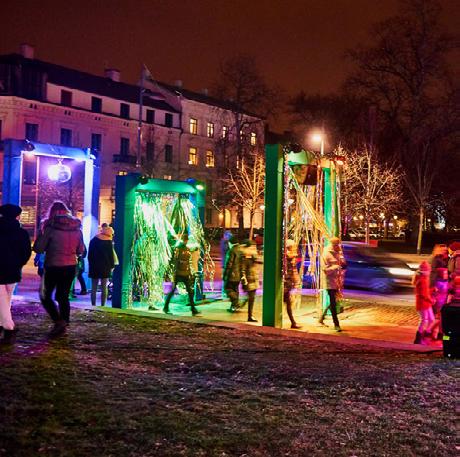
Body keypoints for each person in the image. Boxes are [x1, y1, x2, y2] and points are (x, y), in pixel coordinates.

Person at [33, 201, 85, 337]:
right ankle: (64, 322)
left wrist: (41, 234)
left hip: (53, 266)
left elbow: (38, 248)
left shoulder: (50, 228)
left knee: (45, 296)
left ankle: (58, 321)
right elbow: (81, 250)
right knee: (63, 296)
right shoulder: (77, 229)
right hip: (70, 266)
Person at [0, 204, 32, 345]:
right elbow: (26, 252)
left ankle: (7, 326)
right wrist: (19, 263)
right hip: (13, 269)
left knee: (2, 298)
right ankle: (6, 325)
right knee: (7, 297)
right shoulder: (22, 233)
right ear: (16, 216)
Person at [163, 233, 200, 316]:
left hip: (184, 273)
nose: (186, 242)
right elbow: (174, 261)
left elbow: (187, 261)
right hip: (179, 273)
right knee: (174, 291)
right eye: (185, 240)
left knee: (189, 292)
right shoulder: (178, 249)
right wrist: (170, 272)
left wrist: (189, 272)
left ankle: (193, 309)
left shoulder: (185, 249)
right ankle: (165, 307)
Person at [318, 237, 347, 332]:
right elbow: (325, 270)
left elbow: (342, 264)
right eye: (337, 244)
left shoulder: (337, 252)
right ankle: (336, 324)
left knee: (333, 301)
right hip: (329, 282)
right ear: (333, 244)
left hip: (336, 281)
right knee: (333, 303)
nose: (338, 246)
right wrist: (336, 267)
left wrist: (341, 261)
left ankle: (321, 318)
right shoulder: (326, 254)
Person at [88, 224, 116, 307]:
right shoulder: (108, 241)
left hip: (94, 266)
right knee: (104, 287)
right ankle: (103, 305)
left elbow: (90, 255)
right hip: (105, 266)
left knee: (94, 287)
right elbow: (111, 256)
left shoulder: (94, 240)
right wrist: (112, 266)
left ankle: (93, 305)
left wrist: (91, 264)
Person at [413, 261, 435, 344]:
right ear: (425, 271)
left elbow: (425, 292)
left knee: (431, 319)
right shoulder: (422, 280)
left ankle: (425, 334)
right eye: (429, 270)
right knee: (424, 320)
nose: (429, 272)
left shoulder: (424, 279)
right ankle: (418, 339)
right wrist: (431, 300)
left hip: (426, 303)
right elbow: (423, 294)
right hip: (423, 304)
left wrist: (432, 290)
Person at [240, 240, 262, 322]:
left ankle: (249, 314)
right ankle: (250, 315)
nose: (254, 248)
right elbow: (243, 269)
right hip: (249, 280)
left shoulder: (253, 256)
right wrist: (244, 280)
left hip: (253, 279)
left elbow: (258, 262)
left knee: (251, 298)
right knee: (251, 298)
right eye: (252, 247)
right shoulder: (246, 257)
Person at [284, 239, 302, 329]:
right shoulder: (286, 257)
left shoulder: (291, 257)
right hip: (285, 284)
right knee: (288, 303)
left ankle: (293, 322)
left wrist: (296, 280)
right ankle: (293, 322)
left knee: (288, 303)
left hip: (288, 283)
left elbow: (294, 270)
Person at [223, 235, 242, 313]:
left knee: (227, 289)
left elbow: (229, 264)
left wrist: (225, 275)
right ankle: (234, 306)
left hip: (232, 275)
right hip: (239, 275)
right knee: (235, 289)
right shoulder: (240, 250)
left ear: (231, 243)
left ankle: (235, 303)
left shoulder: (231, 251)